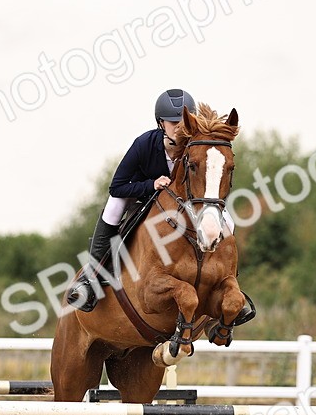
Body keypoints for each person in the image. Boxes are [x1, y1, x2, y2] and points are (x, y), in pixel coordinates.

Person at [68, 88, 229, 312]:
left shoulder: (198, 147)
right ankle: (91, 277)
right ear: (161, 123)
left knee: (223, 215)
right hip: (140, 194)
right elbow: (116, 186)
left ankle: (229, 274)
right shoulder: (144, 144)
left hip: (183, 202)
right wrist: (150, 184)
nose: (180, 127)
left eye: (185, 121)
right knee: (114, 205)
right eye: (173, 123)